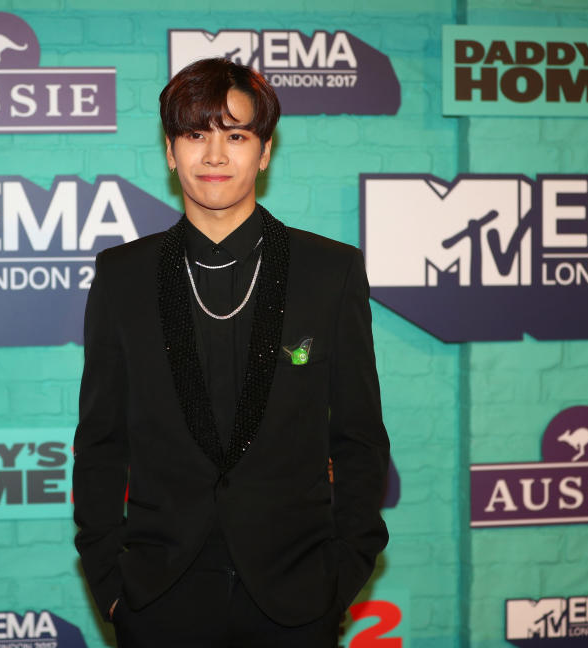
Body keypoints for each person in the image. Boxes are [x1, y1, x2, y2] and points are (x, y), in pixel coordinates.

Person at [73, 57, 389, 648]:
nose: (214, 156)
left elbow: (360, 436)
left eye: (236, 135)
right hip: (157, 596)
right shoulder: (123, 276)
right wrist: (108, 580)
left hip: (295, 600)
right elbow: (99, 442)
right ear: (171, 152)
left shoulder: (329, 272)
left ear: (263, 152)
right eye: (196, 135)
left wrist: (344, 571)